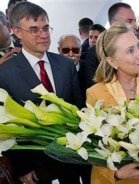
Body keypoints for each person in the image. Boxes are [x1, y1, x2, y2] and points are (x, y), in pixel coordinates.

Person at [0, 2, 84, 183]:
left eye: (46, 28)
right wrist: (23, 168)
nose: (44, 35)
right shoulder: (5, 73)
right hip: (34, 169)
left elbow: (79, 109)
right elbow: (7, 128)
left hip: (70, 161)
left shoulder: (66, 65)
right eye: (34, 30)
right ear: (17, 32)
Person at [86, 21, 139, 184]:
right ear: (112, 61)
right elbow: (92, 149)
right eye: (130, 51)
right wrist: (116, 174)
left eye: (138, 46)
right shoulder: (96, 94)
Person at [84, 2, 139, 89]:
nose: (135, 26)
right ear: (114, 23)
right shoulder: (94, 52)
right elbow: (92, 85)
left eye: (135, 21)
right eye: (129, 21)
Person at [57, 34, 89, 105]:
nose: (71, 54)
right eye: (66, 50)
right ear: (59, 50)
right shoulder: (54, 72)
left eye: (75, 50)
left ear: (81, 50)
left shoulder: (90, 69)